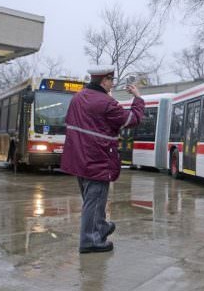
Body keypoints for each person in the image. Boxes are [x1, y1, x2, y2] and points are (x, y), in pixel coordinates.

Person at [61, 65, 145, 253]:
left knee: (92, 200)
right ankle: (90, 241)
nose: (112, 84)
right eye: (111, 80)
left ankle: (100, 228)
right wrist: (138, 99)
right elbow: (131, 120)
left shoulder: (78, 97)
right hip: (97, 159)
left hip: (79, 159)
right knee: (95, 200)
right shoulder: (106, 102)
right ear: (105, 80)